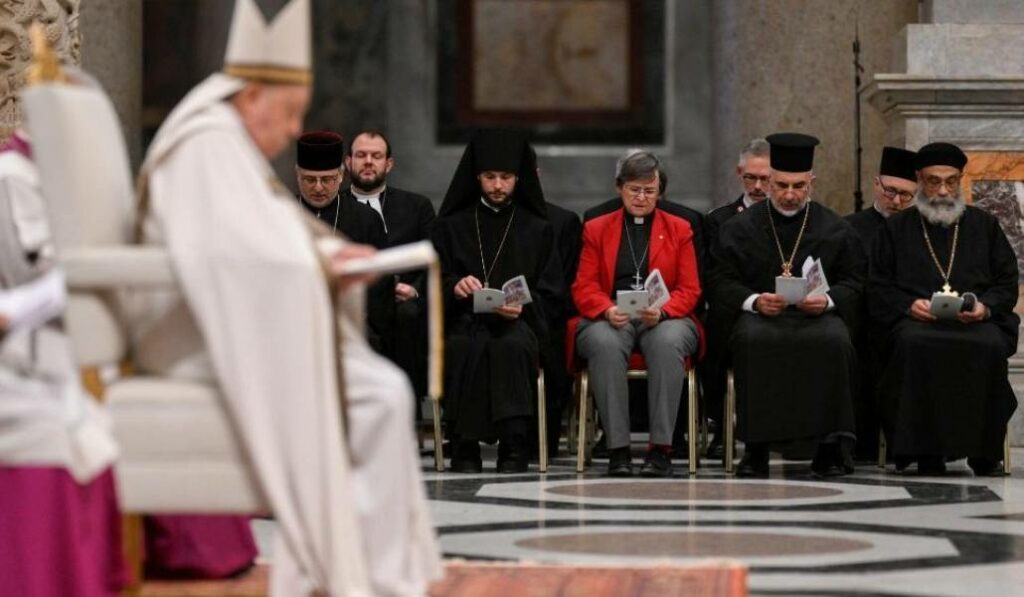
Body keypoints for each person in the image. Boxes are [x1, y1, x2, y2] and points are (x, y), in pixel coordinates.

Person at [130, 0, 441, 594]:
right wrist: (322, 266)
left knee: (381, 393)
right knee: (378, 397)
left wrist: (329, 257)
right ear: (253, 97)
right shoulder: (205, 146)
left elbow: (265, 239)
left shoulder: (226, 143)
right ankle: (359, 578)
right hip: (198, 340)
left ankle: (370, 575)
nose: (295, 130)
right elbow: (230, 258)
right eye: (290, 111)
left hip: (232, 321)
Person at [0, 128, 127, 597]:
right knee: (57, 431)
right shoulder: (12, 176)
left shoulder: (54, 172)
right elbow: (30, 267)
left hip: (42, 344)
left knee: (90, 426)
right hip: (28, 350)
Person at [708, 132, 864, 478]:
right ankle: (756, 449)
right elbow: (720, 281)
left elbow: (854, 282)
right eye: (781, 185)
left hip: (817, 317)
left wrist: (826, 301)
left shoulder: (834, 228)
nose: (789, 195)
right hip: (762, 318)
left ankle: (829, 447)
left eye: (798, 186)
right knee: (752, 341)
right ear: (769, 181)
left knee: (836, 341)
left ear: (812, 182)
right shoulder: (739, 228)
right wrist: (753, 301)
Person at [869, 142, 1018, 476]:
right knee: (912, 343)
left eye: (951, 181)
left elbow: (1006, 282)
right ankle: (926, 452)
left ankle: (984, 451)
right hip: (916, 324)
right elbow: (877, 287)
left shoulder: (985, 226)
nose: (943, 190)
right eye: (934, 181)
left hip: (973, 322)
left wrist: (984, 308)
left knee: (991, 344)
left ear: (961, 180)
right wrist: (909, 306)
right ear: (920, 180)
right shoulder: (895, 230)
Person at [431, 128, 563, 473]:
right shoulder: (452, 225)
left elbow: (551, 290)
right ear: (477, 177)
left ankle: (514, 447)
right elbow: (434, 277)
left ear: (518, 178)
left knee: (512, 347)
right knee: (460, 346)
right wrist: (455, 286)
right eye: (490, 177)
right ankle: (464, 445)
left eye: (506, 177)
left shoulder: (537, 228)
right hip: (465, 318)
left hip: (518, 322)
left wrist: (523, 305)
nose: (498, 186)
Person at [572, 151, 701, 477]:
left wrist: (666, 311)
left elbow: (690, 289)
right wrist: (606, 309)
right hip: (611, 313)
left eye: (650, 190)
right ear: (619, 188)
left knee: (668, 340)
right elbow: (584, 286)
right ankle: (618, 450)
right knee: (603, 341)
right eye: (634, 190)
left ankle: (661, 450)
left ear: (660, 191)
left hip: (664, 316)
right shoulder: (597, 228)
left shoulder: (680, 229)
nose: (642, 197)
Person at [341, 130, 435, 397]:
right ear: (348, 162)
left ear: (389, 164)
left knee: (407, 317)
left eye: (376, 156)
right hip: (354, 302)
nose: (368, 161)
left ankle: (408, 412)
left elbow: (435, 260)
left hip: (404, 304)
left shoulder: (417, 207)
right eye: (361, 155)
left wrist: (415, 290)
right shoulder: (336, 208)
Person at [845, 146, 917, 461]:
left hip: (904, 319)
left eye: (906, 195)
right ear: (876, 184)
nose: (897, 201)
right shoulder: (848, 227)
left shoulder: (921, 230)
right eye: (890, 191)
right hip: (860, 319)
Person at [702, 138, 771, 459]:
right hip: (735, 307)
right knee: (715, 325)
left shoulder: (792, 217)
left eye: (765, 179)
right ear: (738, 173)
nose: (758, 187)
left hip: (784, 309)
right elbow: (713, 277)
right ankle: (721, 425)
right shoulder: (719, 219)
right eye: (750, 178)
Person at [295, 130, 393, 353]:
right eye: (310, 179)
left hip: (351, 321)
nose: (318, 188)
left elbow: (380, 282)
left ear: (340, 175)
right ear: (297, 175)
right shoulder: (282, 217)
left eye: (327, 179)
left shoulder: (366, 219)